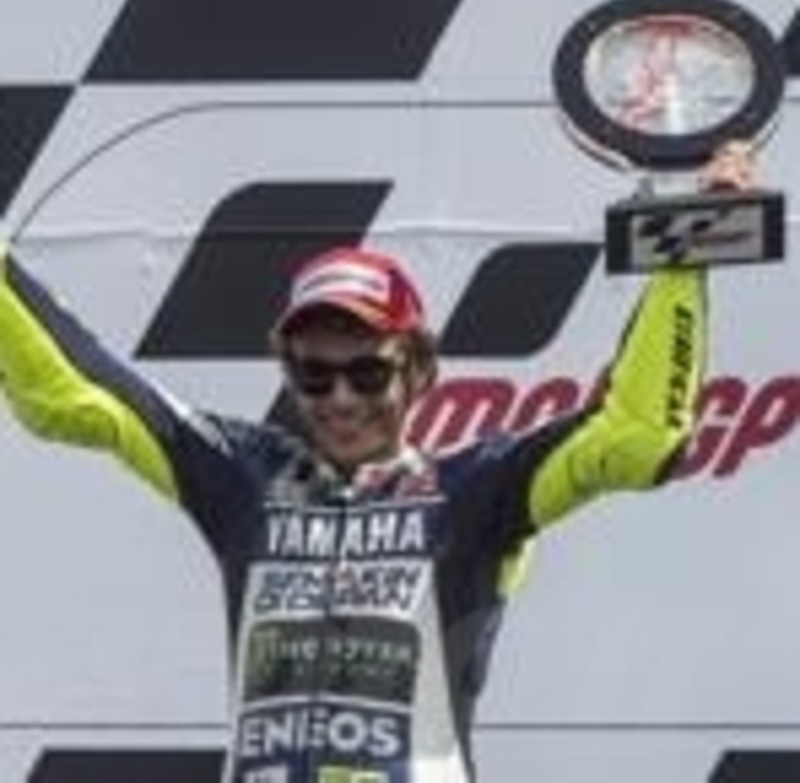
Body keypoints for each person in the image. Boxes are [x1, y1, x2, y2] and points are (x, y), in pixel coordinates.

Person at [0, 142, 757, 783]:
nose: (340, 398)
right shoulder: (242, 475)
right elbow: (71, 395)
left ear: (418, 370)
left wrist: (685, 255)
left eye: (367, 373)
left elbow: (637, 438)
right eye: (313, 374)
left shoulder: (475, 489)